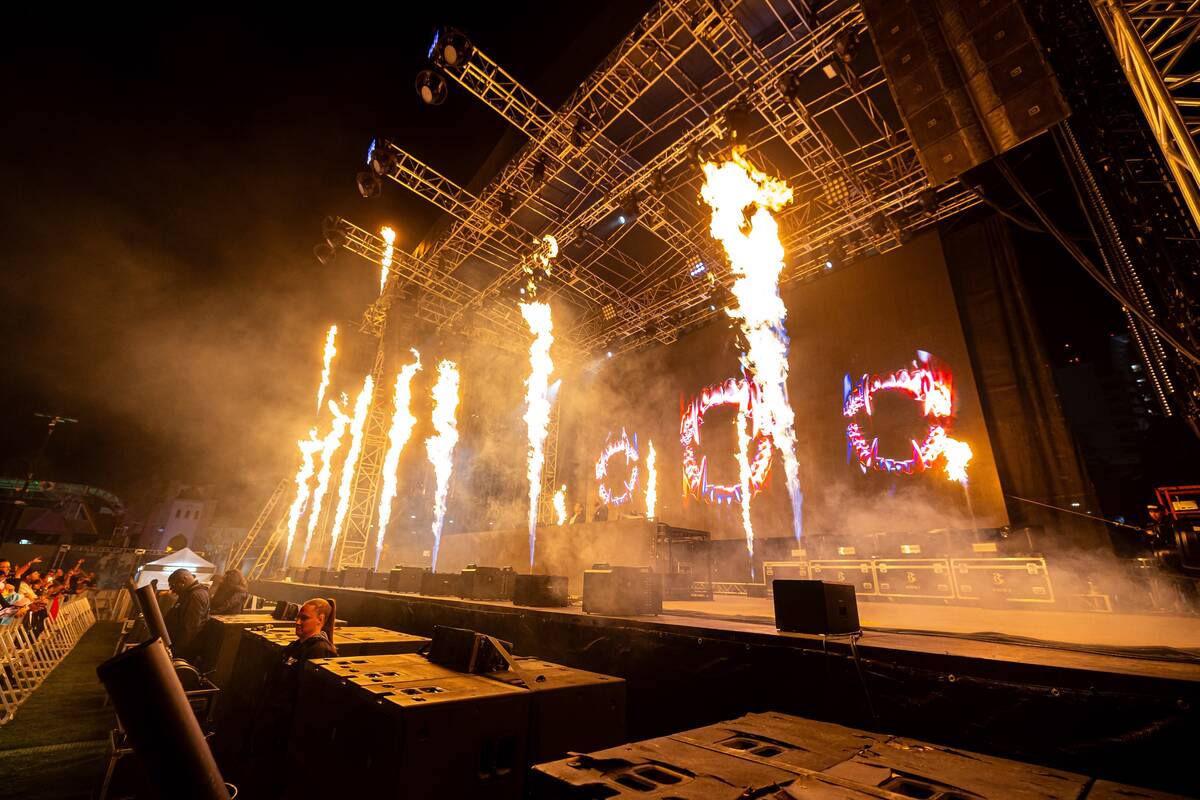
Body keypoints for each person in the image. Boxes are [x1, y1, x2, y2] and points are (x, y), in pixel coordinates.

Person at [244, 597, 337, 798]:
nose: (297, 622)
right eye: (297, 617)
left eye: (304, 618)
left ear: (320, 620)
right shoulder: (296, 646)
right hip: (272, 729)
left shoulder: (320, 651)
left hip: (284, 736)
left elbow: (309, 701)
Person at [163, 568, 210, 659]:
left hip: (183, 650)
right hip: (179, 647)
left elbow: (190, 626)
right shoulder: (189, 594)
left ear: (183, 580)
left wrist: (176, 650)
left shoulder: (195, 596)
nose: (171, 589)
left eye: (173, 585)